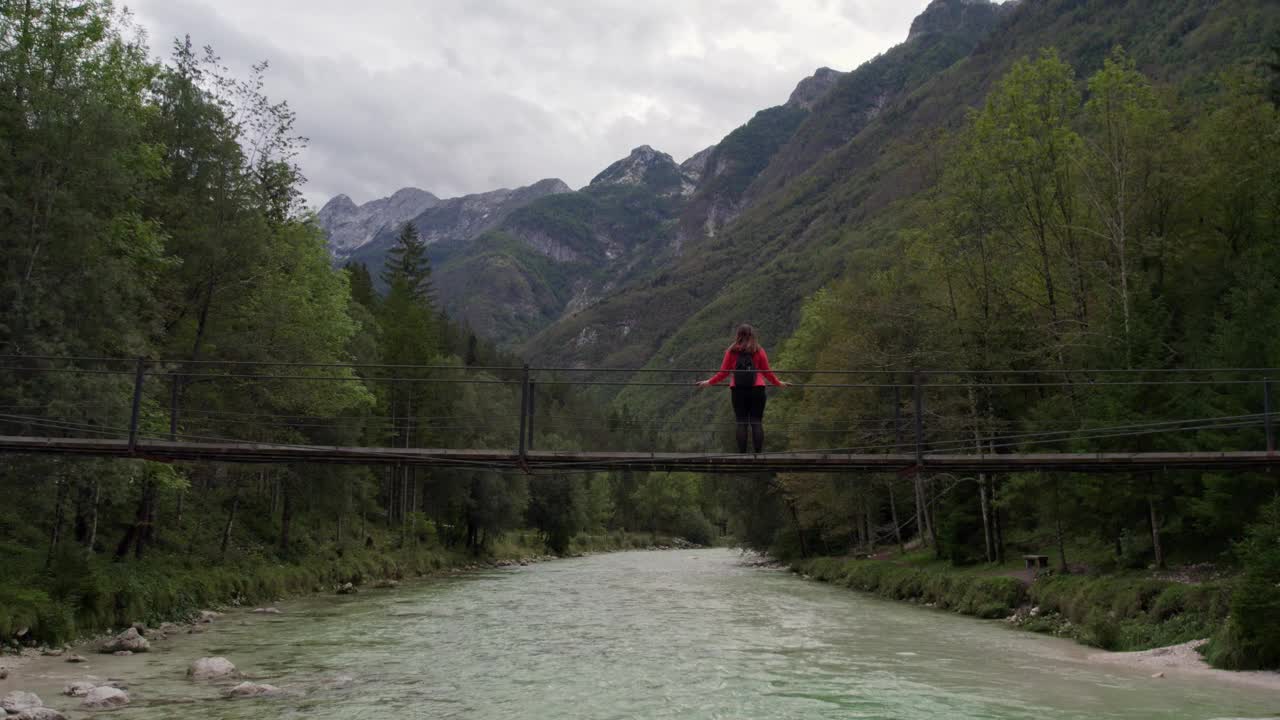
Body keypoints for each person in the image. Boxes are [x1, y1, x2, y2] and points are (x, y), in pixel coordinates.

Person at [697, 323, 788, 453]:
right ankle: (758, 455)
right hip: (757, 389)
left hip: (738, 389)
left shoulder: (732, 351)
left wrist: (708, 382)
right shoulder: (759, 350)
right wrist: (779, 383)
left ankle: (742, 455)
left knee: (741, 422)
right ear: (753, 335)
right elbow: (767, 372)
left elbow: (723, 373)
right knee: (756, 421)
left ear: (738, 335)